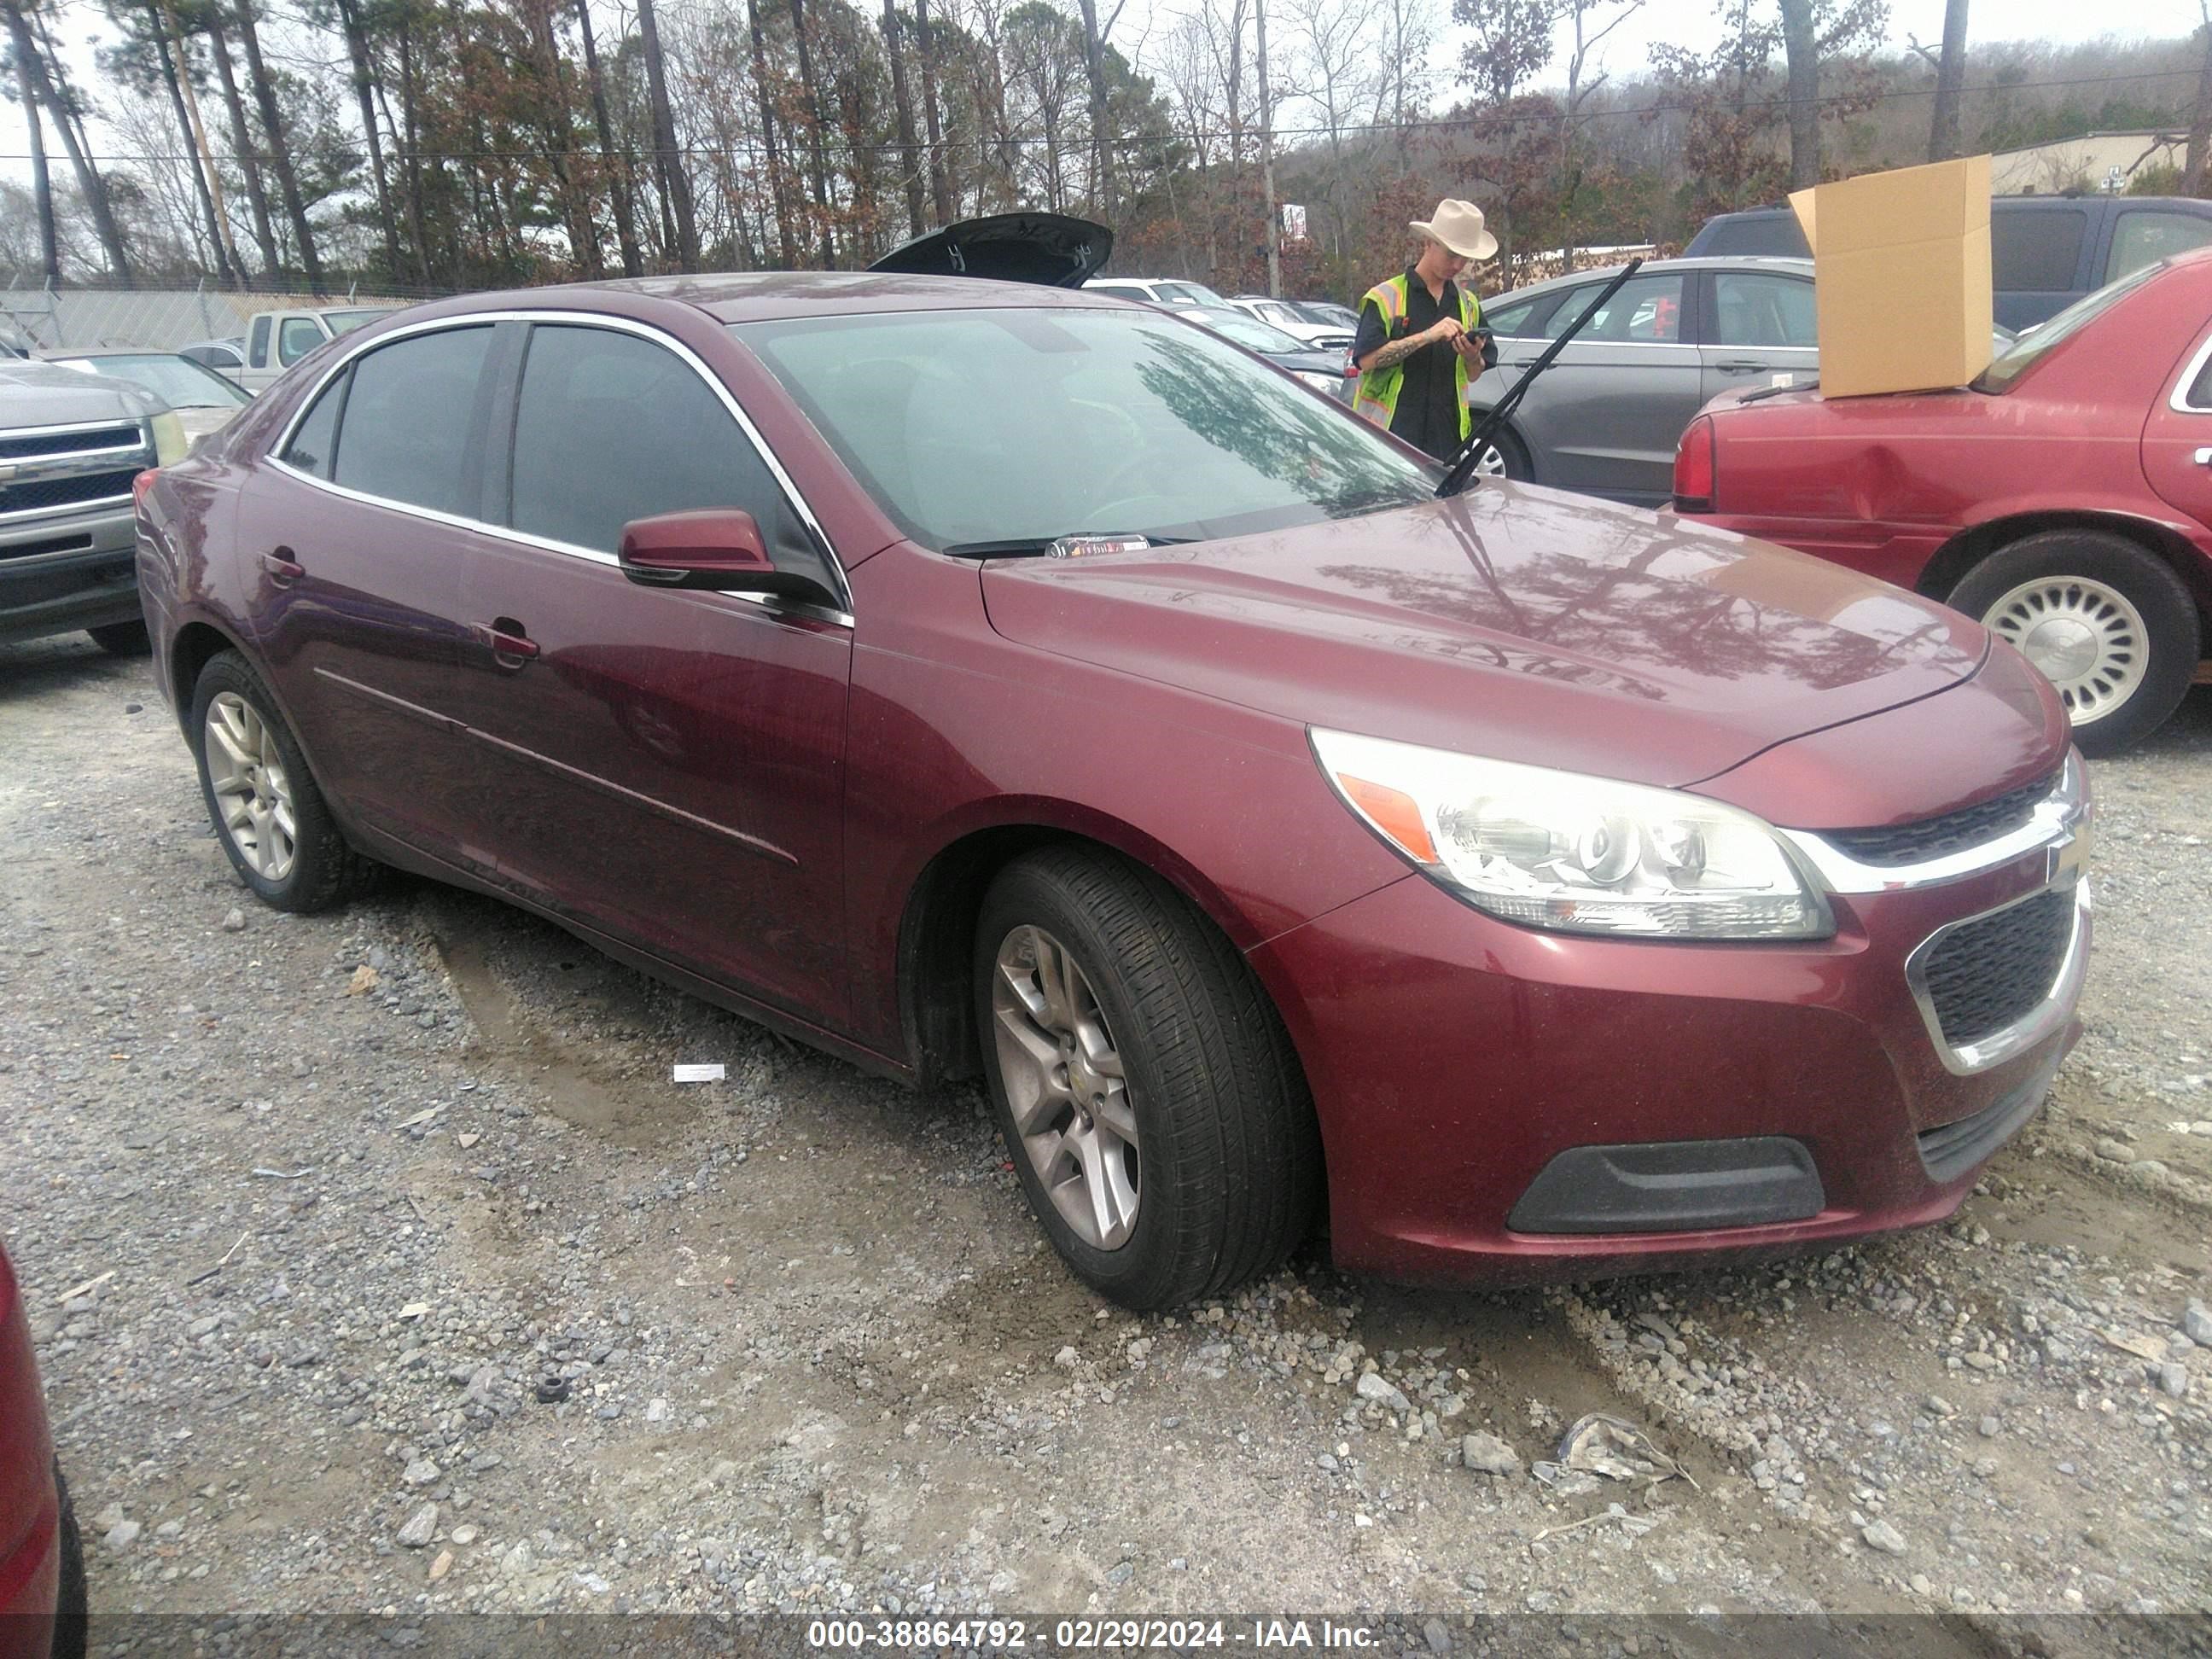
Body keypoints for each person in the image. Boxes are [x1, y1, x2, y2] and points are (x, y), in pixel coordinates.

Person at [1349, 200, 1499, 462]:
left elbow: (1473, 375)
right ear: (1428, 243)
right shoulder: (1385, 298)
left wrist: (1472, 357)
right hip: (1389, 435)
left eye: (1465, 257)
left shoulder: (1468, 304)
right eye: (1451, 254)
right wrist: (1426, 337)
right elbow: (1367, 361)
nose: (1457, 264)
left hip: (1447, 435)